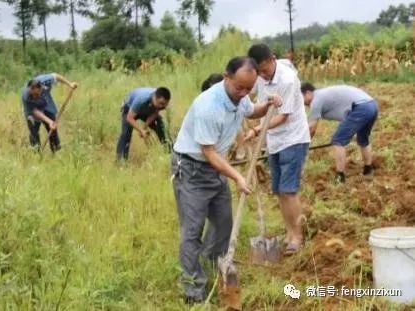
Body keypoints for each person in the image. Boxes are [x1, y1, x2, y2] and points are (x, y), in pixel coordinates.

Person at [172, 56, 281, 304]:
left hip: (215, 167)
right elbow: (208, 152)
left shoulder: (240, 98)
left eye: (248, 89)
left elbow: (252, 111)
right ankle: (193, 289)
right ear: (226, 77)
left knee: (223, 224)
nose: (243, 93)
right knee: (192, 230)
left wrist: (267, 104)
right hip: (192, 169)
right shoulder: (208, 107)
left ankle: (212, 266)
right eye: (238, 87)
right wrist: (237, 177)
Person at [246, 44, 311, 255]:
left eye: (265, 70)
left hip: (292, 138)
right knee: (278, 191)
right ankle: (289, 232)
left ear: (272, 59)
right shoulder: (258, 76)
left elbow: (283, 117)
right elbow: (249, 96)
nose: (262, 75)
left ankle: (298, 236)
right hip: (274, 141)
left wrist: (257, 130)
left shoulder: (287, 80)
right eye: (259, 72)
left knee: (288, 190)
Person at [301, 82, 379, 182]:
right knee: (363, 138)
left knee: (338, 140)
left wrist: (304, 146)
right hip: (372, 105)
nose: (302, 103)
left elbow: (312, 128)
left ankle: (340, 176)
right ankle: (368, 169)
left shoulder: (316, 100)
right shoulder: (323, 94)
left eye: (301, 98)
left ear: (308, 93)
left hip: (361, 107)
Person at [21, 73, 78, 152]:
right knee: (33, 131)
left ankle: (55, 150)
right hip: (32, 111)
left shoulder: (45, 80)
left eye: (36, 94)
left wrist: (69, 84)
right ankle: (36, 153)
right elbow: (35, 111)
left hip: (46, 104)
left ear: (41, 88)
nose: (34, 96)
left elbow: (56, 76)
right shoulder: (26, 96)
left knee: (53, 127)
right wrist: (49, 121)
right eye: (32, 95)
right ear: (29, 89)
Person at [116, 87, 171, 161]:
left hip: (146, 109)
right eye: (161, 104)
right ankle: (121, 161)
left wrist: (144, 127)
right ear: (154, 97)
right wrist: (140, 130)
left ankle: (170, 153)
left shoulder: (160, 103)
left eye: (164, 105)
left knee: (160, 125)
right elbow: (129, 118)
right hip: (129, 109)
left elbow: (155, 113)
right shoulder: (142, 99)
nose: (162, 106)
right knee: (126, 133)